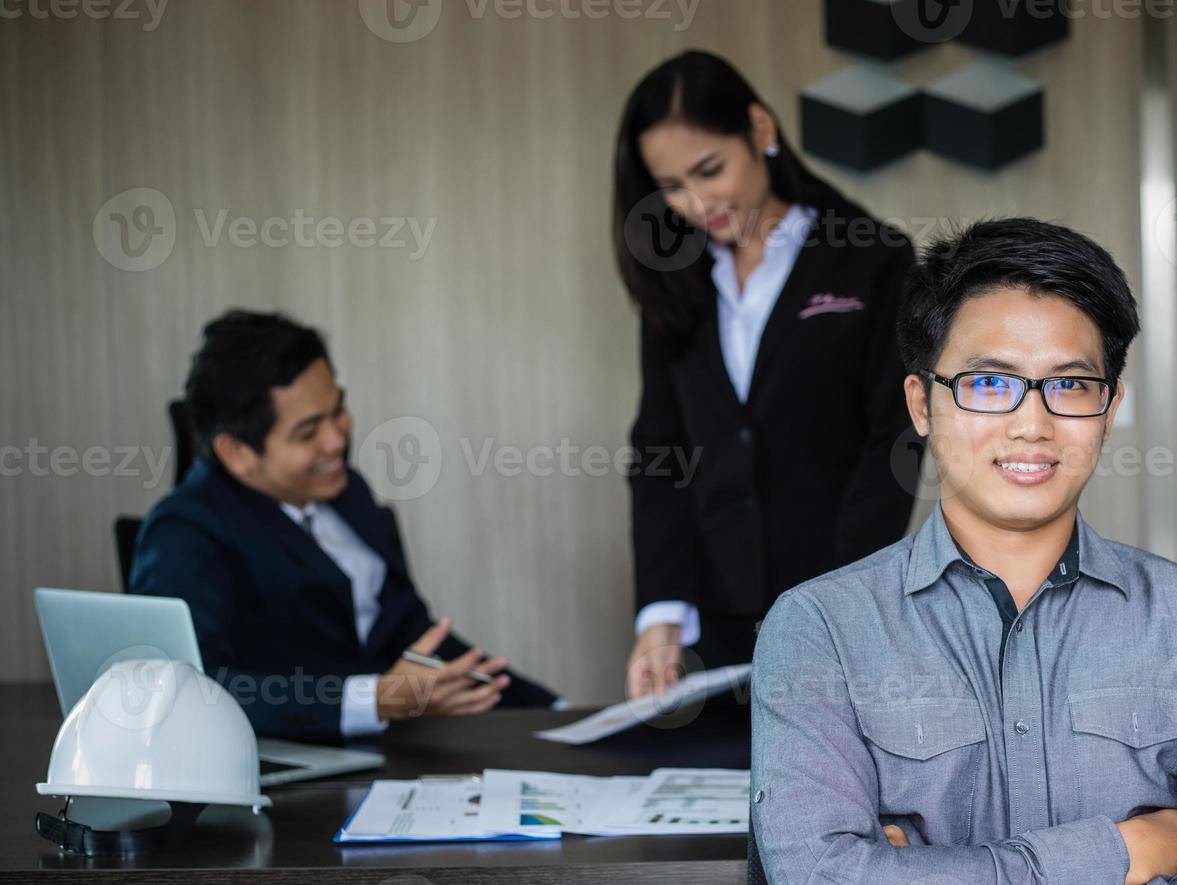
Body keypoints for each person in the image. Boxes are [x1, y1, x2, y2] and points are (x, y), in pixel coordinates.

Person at [751, 218, 1177, 885]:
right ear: (921, 404)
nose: (1031, 422)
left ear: (1110, 409)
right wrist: (1122, 852)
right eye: (988, 382)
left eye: (1071, 385)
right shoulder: (820, 629)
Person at [614, 51, 919, 696]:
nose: (696, 203)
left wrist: (838, 607)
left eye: (709, 170)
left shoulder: (871, 260)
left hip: (836, 610)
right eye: (671, 188)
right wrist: (660, 613)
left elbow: (894, 442)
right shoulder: (675, 281)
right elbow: (660, 448)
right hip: (714, 616)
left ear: (759, 130)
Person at [131, 310, 559, 742]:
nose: (337, 440)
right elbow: (196, 690)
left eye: (338, 411)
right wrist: (374, 699)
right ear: (237, 452)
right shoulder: (183, 534)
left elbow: (407, 631)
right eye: (308, 432)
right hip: (294, 772)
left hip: (399, 749)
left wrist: (553, 712)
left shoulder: (346, 491)